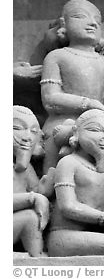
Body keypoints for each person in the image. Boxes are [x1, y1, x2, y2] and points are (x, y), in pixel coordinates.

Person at [40, 0, 104, 174]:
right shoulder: (57, 56)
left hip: (101, 130)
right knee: (53, 177)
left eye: (97, 20)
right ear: (64, 24)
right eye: (80, 16)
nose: (92, 23)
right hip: (62, 125)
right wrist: (90, 104)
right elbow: (50, 99)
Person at [47, 109, 104, 256]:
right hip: (64, 234)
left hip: (95, 230)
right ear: (76, 133)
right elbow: (67, 206)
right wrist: (103, 218)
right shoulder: (69, 163)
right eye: (95, 130)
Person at [13, 106, 52, 257]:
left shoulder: (26, 168)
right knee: (29, 218)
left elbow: (37, 191)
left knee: (31, 217)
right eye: (17, 128)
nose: (28, 137)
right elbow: (34, 197)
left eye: (34, 131)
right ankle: (36, 259)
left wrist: (44, 188)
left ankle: (37, 256)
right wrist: (32, 198)